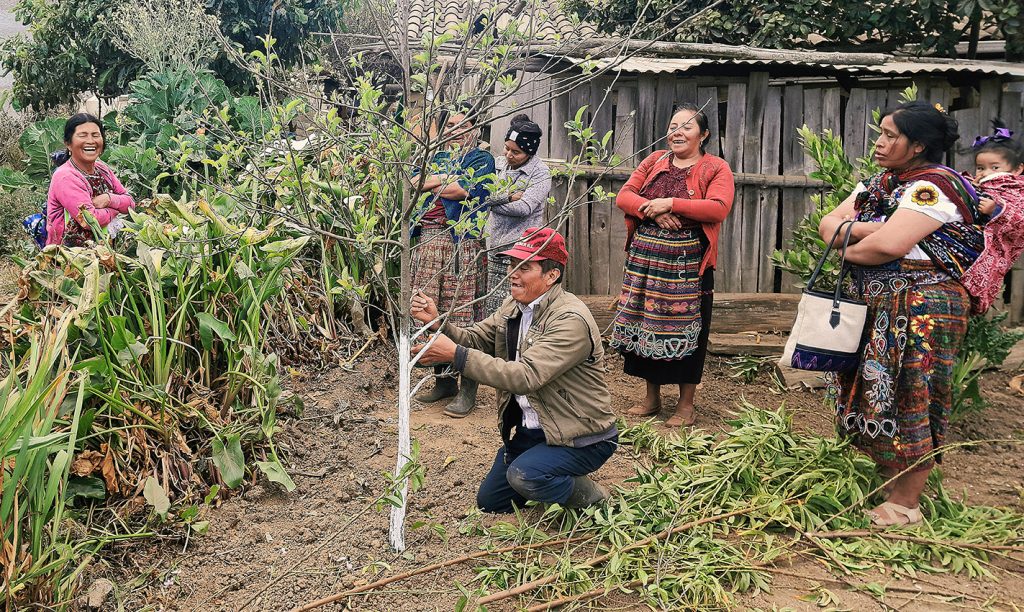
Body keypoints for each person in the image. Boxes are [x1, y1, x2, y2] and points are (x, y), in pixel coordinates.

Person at [818, 101, 983, 527]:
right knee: (879, 390)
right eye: (881, 132)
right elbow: (827, 223)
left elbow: (887, 247)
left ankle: (907, 504)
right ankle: (891, 481)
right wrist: (877, 231)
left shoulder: (934, 187)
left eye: (891, 135)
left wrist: (851, 243)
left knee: (914, 391)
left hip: (922, 308)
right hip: (883, 303)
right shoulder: (881, 183)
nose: (879, 141)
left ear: (918, 146)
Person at [410, 228, 618, 513]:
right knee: (491, 502)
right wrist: (438, 324)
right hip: (536, 430)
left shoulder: (570, 319)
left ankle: (592, 497)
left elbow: (525, 377)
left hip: (579, 435)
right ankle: (546, 470)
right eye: (511, 265)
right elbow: (476, 338)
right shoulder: (515, 306)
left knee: (525, 476)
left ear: (551, 275)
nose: (512, 274)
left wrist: (456, 356)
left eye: (524, 267)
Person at [610, 103, 735, 428]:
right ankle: (651, 398)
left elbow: (718, 208)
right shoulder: (653, 161)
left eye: (687, 127)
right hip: (646, 267)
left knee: (689, 332)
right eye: (673, 125)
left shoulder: (716, 168)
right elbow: (625, 196)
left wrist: (673, 204)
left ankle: (685, 405)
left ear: (703, 134)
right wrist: (651, 210)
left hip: (688, 271)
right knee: (645, 327)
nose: (677, 132)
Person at [410, 107, 495, 417]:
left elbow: (465, 190)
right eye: (452, 126)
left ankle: (469, 388)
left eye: (463, 125)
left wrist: (435, 182)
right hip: (429, 240)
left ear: (475, 128)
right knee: (431, 311)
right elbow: (415, 184)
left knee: (463, 313)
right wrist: (439, 179)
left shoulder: (482, 159)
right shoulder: (439, 158)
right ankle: (444, 382)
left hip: (462, 244)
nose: (457, 131)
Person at [483, 114, 552, 313]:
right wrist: (508, 196)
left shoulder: (540, 173)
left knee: (513, 307)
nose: (509, 155)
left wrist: (490, 203)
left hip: (520, 250)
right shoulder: (498, 164)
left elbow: (524, 208)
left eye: (517, 152)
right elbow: (480, 196)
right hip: (492, 245)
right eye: (507, 148)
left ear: (529, 153)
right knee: (490, 308)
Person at [959, 120, 1024, 314]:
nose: (986, 172)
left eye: (995, 168)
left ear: (1017, 169)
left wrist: (995, 210)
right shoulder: (978, 184)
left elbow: (1020, 218)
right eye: (980, 168)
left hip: (996, 244)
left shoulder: (1016, 189)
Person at [47, 113, 135, 247]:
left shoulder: (102, 168)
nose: (90, 141)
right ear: (68, 144)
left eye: (95, 135)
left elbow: (130, 203)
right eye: (82, 135)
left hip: (103, 250)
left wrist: (108, 199)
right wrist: (116, 209)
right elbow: (89, 220)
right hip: (71, 257)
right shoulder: (65, 176)